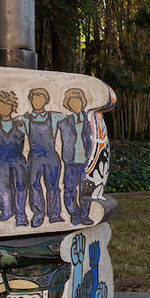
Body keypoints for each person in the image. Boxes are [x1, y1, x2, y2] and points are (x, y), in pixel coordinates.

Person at [0, 90, 30, 227]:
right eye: (1, 106)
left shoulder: (21, 124)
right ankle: (6, 210)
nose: (4, 108)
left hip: (17, 160)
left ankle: (21, 215)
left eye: (7, 105)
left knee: (21, 187)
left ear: (12, 106)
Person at [24, 88, 65, 227]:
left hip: (51, 155)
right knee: (33, 184)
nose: (37, 101)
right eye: (34, 99)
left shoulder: (54, 116)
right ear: (31, 100)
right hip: (35, 156)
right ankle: (38, 214)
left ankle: (54, 214)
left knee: (53, 185)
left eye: (40, 99)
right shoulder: (25, 118)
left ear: (46, 101)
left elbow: (69, 119)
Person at [58, 88, 93, 226]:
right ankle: (73, 213)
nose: (75, 105)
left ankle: (85, 214)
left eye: (77, 102)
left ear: (82, 103)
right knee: (70, 188)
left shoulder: (90, 120)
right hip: (70, 161)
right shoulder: (64, 121)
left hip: (86, 160)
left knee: (87, 189)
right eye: (72, 103)